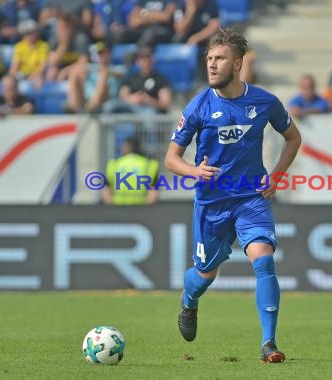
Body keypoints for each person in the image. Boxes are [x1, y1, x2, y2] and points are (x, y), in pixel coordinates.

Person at [164, 29, 302, 363]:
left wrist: (278, 174)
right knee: (204, 276)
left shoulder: (264, 102)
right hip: (211, 204)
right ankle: (189, 299)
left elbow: (293, 138)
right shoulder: (198, 106)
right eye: (209, 59)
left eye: (219, 58)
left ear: (237, 64)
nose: (211, 65)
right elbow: (171, 159)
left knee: (264, 258)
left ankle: (268, 343)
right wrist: (195, 172)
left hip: (250, 199)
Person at [102, 47, 172, 114]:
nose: (146, 62)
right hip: (130, 107)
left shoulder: (161, 79)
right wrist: (133, 98)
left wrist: (148, 100)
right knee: (109, 106)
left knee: (150, 114)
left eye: (148, 59)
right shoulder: (131, 77)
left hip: (150, 109)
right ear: (137, 62)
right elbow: (122, 95)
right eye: (143, 59)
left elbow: (165, 103)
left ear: (153, 60)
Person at [103, 136, 159, 205]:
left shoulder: (114, 164)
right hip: (141, 207)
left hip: (118, 206)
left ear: (126, 147)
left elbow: (106, 191)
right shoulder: (150, 164)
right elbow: (153, 192)